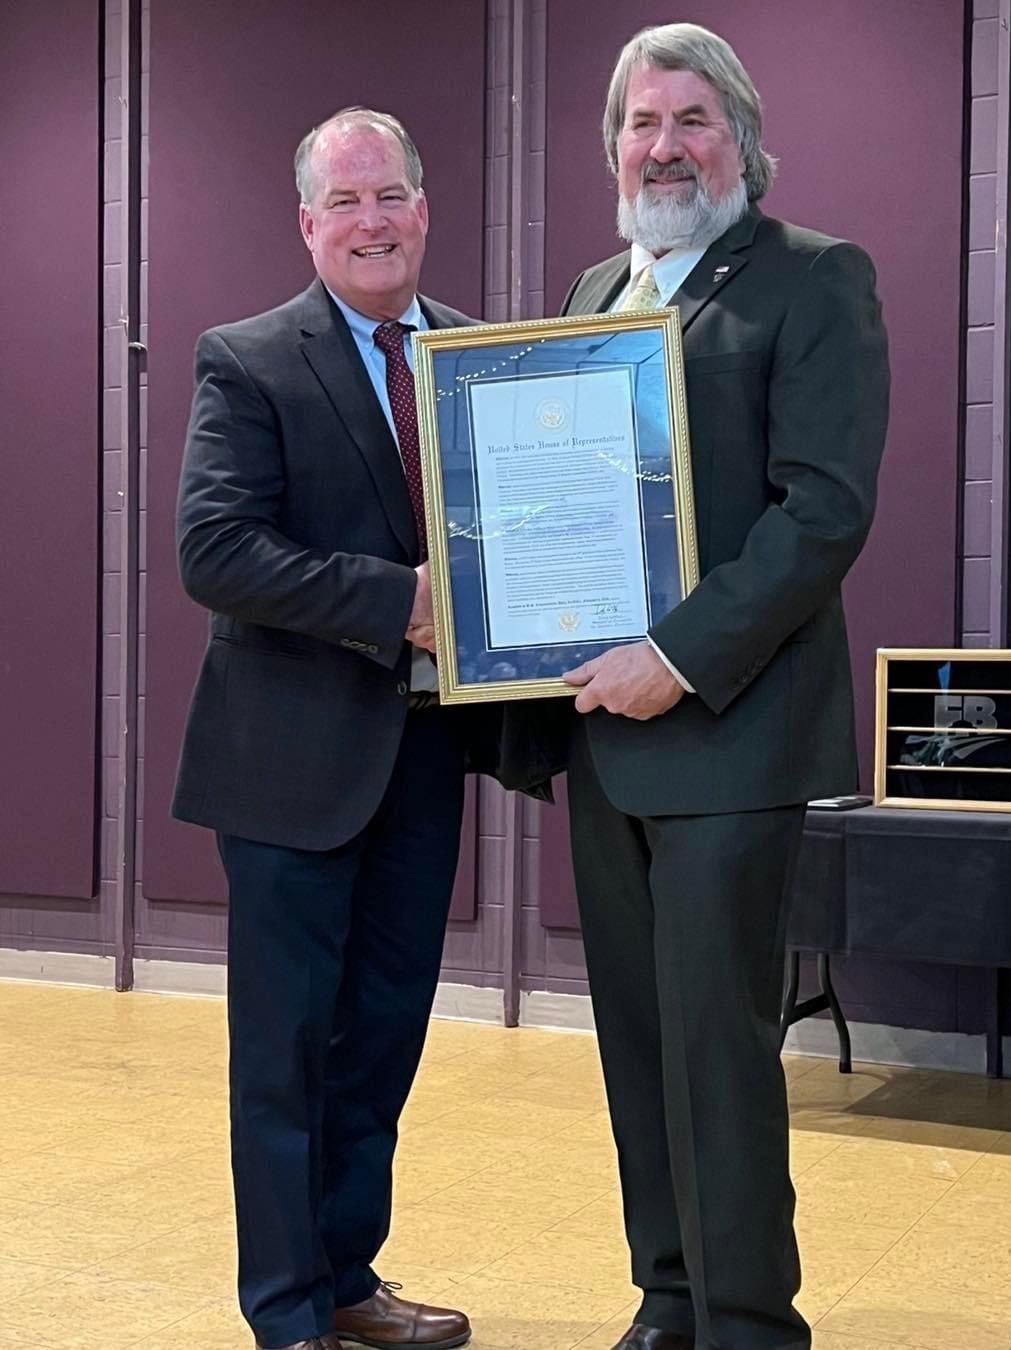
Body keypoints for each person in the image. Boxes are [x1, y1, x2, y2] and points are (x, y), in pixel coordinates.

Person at [554, 23, 890, 1350]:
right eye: (642, 122)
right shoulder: (590, 291)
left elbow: (823, 512)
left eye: (692, 118)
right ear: (614, 150)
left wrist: (675, 655)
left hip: (732, 735)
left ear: (743, 141)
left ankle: (751, 1320)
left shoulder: (814, 280)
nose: (665, 143)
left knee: (720, 1051)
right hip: (599, 737)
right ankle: (672, 1291)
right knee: (639, 1043)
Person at [172, 107, 476, 1350]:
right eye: (344, 202)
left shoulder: (476, 353)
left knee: (384, 1039)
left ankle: (350, 1277)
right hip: (287, 772)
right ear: (308, 225)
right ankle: (286, 1311)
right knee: (287, 1056)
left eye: (389, 195)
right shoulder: (246, 358)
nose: (371, 220)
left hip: (420, 764)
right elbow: (215, 549)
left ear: (424, 208)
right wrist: (396, 602)